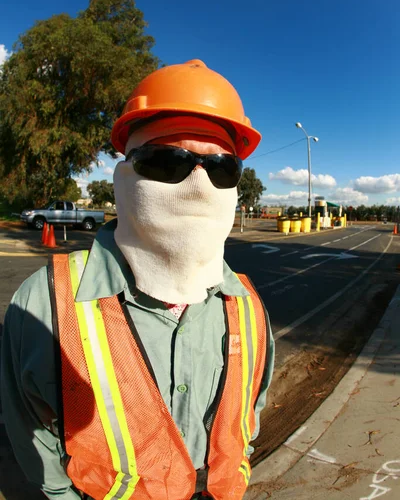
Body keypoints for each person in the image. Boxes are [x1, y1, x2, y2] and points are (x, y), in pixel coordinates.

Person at [1, 59, 274, 500]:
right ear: (124, 176)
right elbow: (33, 438)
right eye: (167, 162)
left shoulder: (246, 305)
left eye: (222, 168)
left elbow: (248, 413)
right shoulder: (45, 304)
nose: (198, 185)